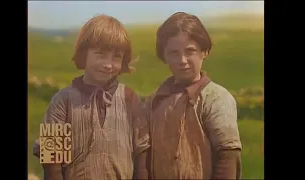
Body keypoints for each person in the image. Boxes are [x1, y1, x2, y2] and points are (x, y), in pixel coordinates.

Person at [32, 14, 150, 180]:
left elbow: (141, 152)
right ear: (83, 55)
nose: (108, 64)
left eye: (116, 56)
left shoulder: (129, 99)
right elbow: (52, 158)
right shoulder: (62, 101)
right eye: (100, 54)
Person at [143, 12, 242, 179]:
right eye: (173, 53)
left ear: (204, 51)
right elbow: (143, 154)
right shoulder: (154, 100)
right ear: (164, 56)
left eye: (190, 51)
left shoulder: (216, 98)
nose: (182, 60)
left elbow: (228, 158)